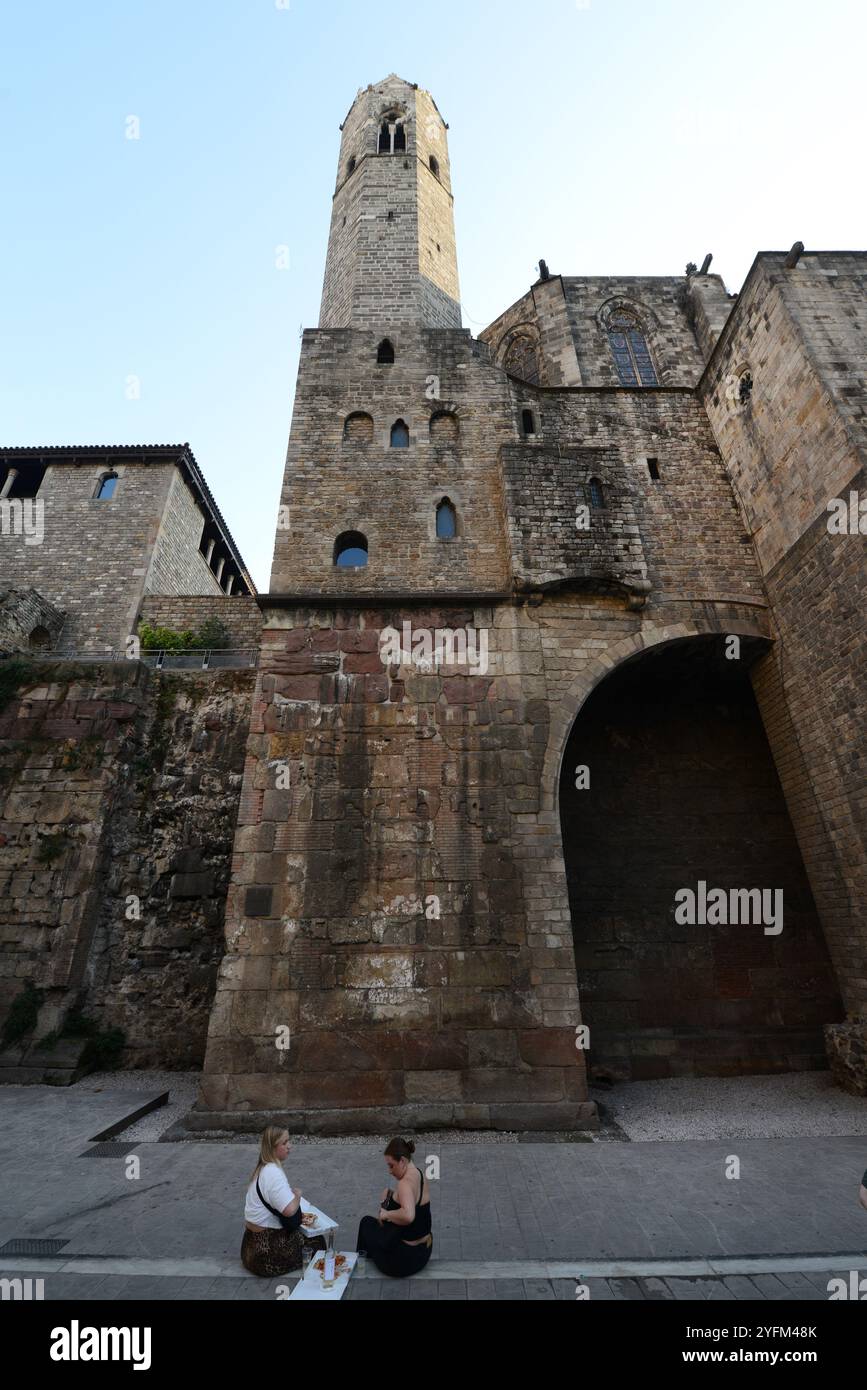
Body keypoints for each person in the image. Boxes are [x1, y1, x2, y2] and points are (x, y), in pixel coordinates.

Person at [241, 1125, 325, 1277]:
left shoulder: (262, 1168)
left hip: (249, 1250)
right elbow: (290, 1210)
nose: (289, 1146)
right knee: (317, 1241)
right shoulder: (273, 1172)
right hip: (266, 1256)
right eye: (285, 1143)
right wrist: (297, 1195)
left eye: (289, 1141)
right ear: (273, 1147)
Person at [356, 1137, 433, 1278]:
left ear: (402, 1161)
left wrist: (386, 1214)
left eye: (391, 1165)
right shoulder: (420, 1174)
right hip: (424, 1252)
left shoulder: (404, 1183)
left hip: (403, 1262)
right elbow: (415, 1206)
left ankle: (362, 1262)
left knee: (366, 1223)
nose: (390, 1171)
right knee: (387, 1199)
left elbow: (409, 1216)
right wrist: (391, 1197)